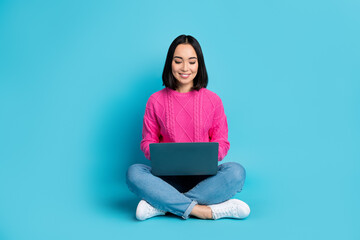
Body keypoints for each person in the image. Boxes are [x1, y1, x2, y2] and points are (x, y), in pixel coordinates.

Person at [126, 34, 250, 220]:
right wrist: (159, 154)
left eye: (192, 62)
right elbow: (147, 141)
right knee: (134, 172)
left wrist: (207, 155)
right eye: (178, 61)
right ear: (170, 63)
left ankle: (162, 206)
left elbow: (222, 142)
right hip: (166, 181)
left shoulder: (213, 101)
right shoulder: (155, 100)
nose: (185, 68)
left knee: (237, 172)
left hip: (205, 180)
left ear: (199, 65)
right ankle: (205, 211)